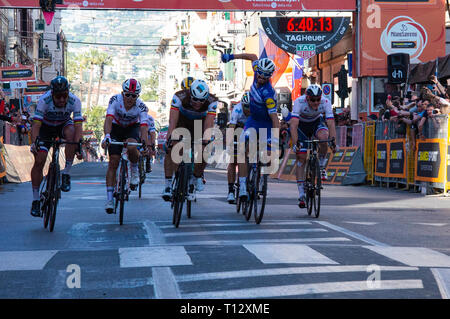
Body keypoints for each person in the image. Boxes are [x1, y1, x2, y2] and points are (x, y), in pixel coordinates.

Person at [221, 53, 280, 199]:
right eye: (259, 73)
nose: (260, 77)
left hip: (265, 124)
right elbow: (253, 56)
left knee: (264, 156)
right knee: (242, 152)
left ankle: (257, 176)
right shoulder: (256, 72)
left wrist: (274, 141)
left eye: (265, 76)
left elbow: (275, 119)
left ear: (270, 76)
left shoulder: (269, 94)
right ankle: (242, 187)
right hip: (252, 121)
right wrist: (232, 57)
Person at [29, 76, 83, 217]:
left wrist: (78, 146)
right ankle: (36, 200)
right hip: (45, 128)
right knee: (39, 160)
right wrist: (35, 142)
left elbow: (78, 126)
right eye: (58, 97)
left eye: (64, 96)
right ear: (52, 94)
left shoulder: (75, 101)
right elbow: (36, 125)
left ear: (68, 93)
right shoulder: (44, 100)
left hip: (63, 125)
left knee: (71, 134)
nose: (61, 100)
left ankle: (66, 173)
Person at [162, 79, 218, 201]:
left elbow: (208, 124)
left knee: (205, 151)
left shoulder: (212, 101)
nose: (198, 103)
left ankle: (195, 178)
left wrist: (206, 140)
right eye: (195, 99)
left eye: (201, 100)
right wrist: (170, 137)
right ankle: (168, 184)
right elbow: (172, 122)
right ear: (190, 94)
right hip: (182, 122)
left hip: (199, 125)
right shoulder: (179, 96)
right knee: (172, 147)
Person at [101, 78, 150, 214]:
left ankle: (134, 170)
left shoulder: (141, 106)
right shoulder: (115, 100)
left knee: (132, 146)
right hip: (116, 128)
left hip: (131, 128)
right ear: (123, 93)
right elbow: (109, 118)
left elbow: (144, 126)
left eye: (133, 95)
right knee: (113, 162)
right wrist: (107, 136)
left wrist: (145, 143)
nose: (130, 98)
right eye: (127, 94)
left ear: (137, 96)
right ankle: (110, 199)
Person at [289, 84, 337, 209]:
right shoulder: (299, 102)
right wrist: (295, 143)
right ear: (307, 98)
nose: (316, 103)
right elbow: (293, 125)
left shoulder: (325, 101)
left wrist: (333, 142)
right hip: (301, 127)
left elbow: (331, 123)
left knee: (324, 138)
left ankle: (321, 165)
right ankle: (301, 193)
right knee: (301, 157)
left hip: (316, 123)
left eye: (318, 99)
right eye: (312, 100)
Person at [226, 92, 250, 204]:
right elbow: (231, 127)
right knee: (233, 160)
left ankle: (254, 183)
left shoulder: (257, 109)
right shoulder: (237, 109)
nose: (248, 110)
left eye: (251, 107)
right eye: (246, 107)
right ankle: (231, 191)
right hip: (238, 129)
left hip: (251, 129)